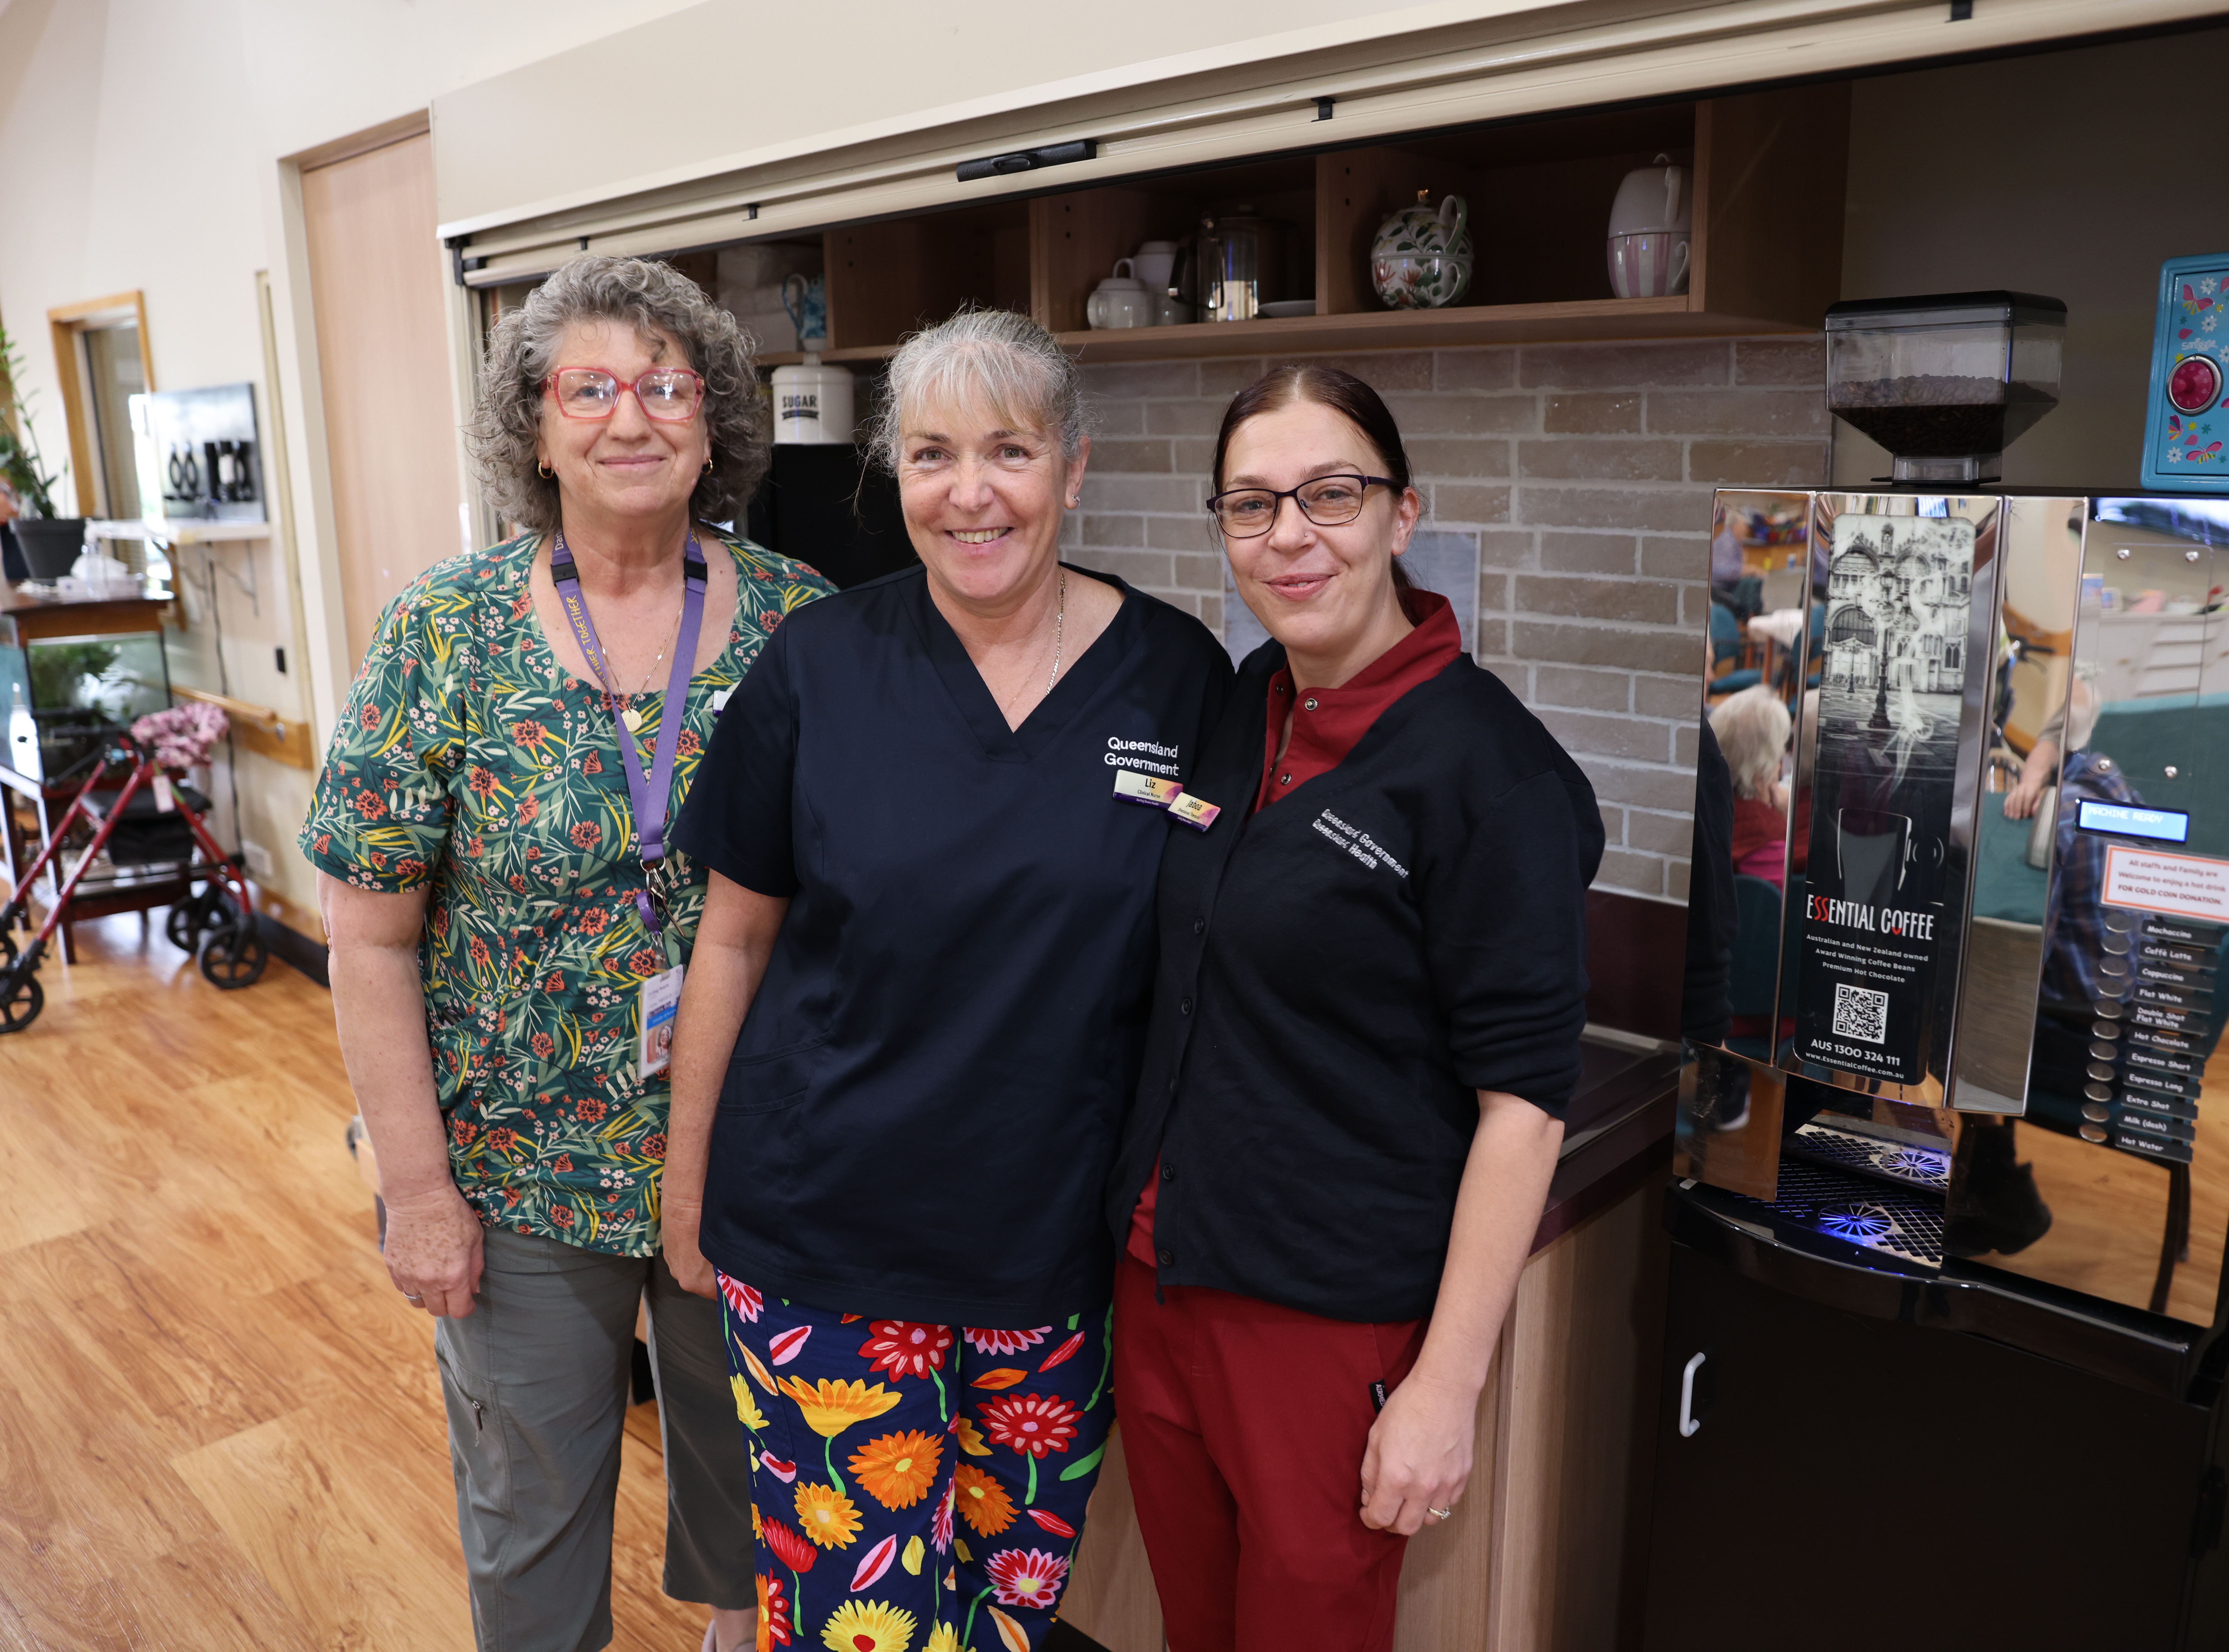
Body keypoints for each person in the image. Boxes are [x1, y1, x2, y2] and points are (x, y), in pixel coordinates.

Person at [659, 307, 1231, 1652]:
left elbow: (1218, 951)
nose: (970, 491)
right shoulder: (818, 668)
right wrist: (688, 1187)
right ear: (894, 478)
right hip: (826, 1249)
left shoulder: (1176, 680)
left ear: (1072, 470)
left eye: (1008, 450)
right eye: (930, 455)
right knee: (857, 1628)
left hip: (1052, 1260)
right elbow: (731, 940)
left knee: (1006, 1619)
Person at [302, 253, 832, 1652]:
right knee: (530, 1523)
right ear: (534, 428)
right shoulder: (446, 630)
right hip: (521, 1170)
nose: (630, 416)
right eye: (586, 387)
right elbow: (368, 932)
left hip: (756, 1161)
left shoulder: (808, 625)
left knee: (763, 1503)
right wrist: (416, 1189)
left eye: (666, 384)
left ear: (714, 417)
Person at [1104, 366, 1603, 1650]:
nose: (1290, 535)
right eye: (1252, 504)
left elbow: (1526, 1107)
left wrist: (1446, 1384)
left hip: (1325, 1324)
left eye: (1331, 494)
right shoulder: (1243, 702)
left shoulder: (1489, 773)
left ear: (1401, 512)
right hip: (1161, 1285)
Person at [1707, 685, 1794, 885]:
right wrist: (1787, 825)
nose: (1779, 769)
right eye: (1778, 759)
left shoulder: (1704, 809)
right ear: (1761, 770)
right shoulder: (1772, 840)